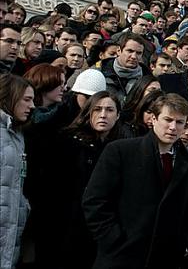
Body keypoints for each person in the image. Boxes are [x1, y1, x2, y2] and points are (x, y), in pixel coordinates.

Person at [82, 93, 188, 269]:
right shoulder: (121, 151)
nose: (173, 127)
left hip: (165, 257)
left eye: (179, 122)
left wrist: (183, 243)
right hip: (121, 255)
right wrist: (113, 239)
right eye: (168, 120)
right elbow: (94, 200)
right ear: (153, 119)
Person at [37, 91, 125, 269]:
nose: (102, 115)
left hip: (102, 230)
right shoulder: (67, 141)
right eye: (97, 109)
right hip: (66, 227)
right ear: (88, 113)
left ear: (117, 116)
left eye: (109, 110)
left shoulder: (122, 148)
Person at [0, 74, 34, 269]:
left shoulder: (17, 133)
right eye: (27, 99)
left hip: (11, 232)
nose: (32, 106)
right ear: (9, 96)